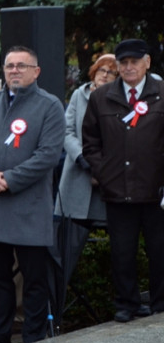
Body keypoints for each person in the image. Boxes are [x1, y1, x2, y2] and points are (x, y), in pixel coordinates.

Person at [0, 46, 65, 343]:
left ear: (36, 71)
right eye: (10, 66)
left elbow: (48, 154)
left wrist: (10, 179)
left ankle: (32, 341)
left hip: (28, 206)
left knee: (34, 279)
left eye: (22, 66)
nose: (15, 71)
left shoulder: (50, 106)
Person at [82, 39, 164, 321]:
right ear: (117, 66)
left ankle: (160, 304)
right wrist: (104, 172)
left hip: (157, 191)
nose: (129, 67)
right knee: (122, 251)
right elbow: (90, 143)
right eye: (124, 62)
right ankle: (127, 304)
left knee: (160, 250)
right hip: (118, 189)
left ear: (147, 63)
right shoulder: (101, 97)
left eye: (135, 61)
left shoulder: (162, 93)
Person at [56, 54, 117, 225]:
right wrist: (83, 157)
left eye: (111, 72)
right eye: (101, 69)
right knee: (71, 237)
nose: (104, 75)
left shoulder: (120, 100)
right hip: (78, 170)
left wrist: (99, 165)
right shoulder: (78, 94)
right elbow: (66, 130)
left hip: (108, 175)